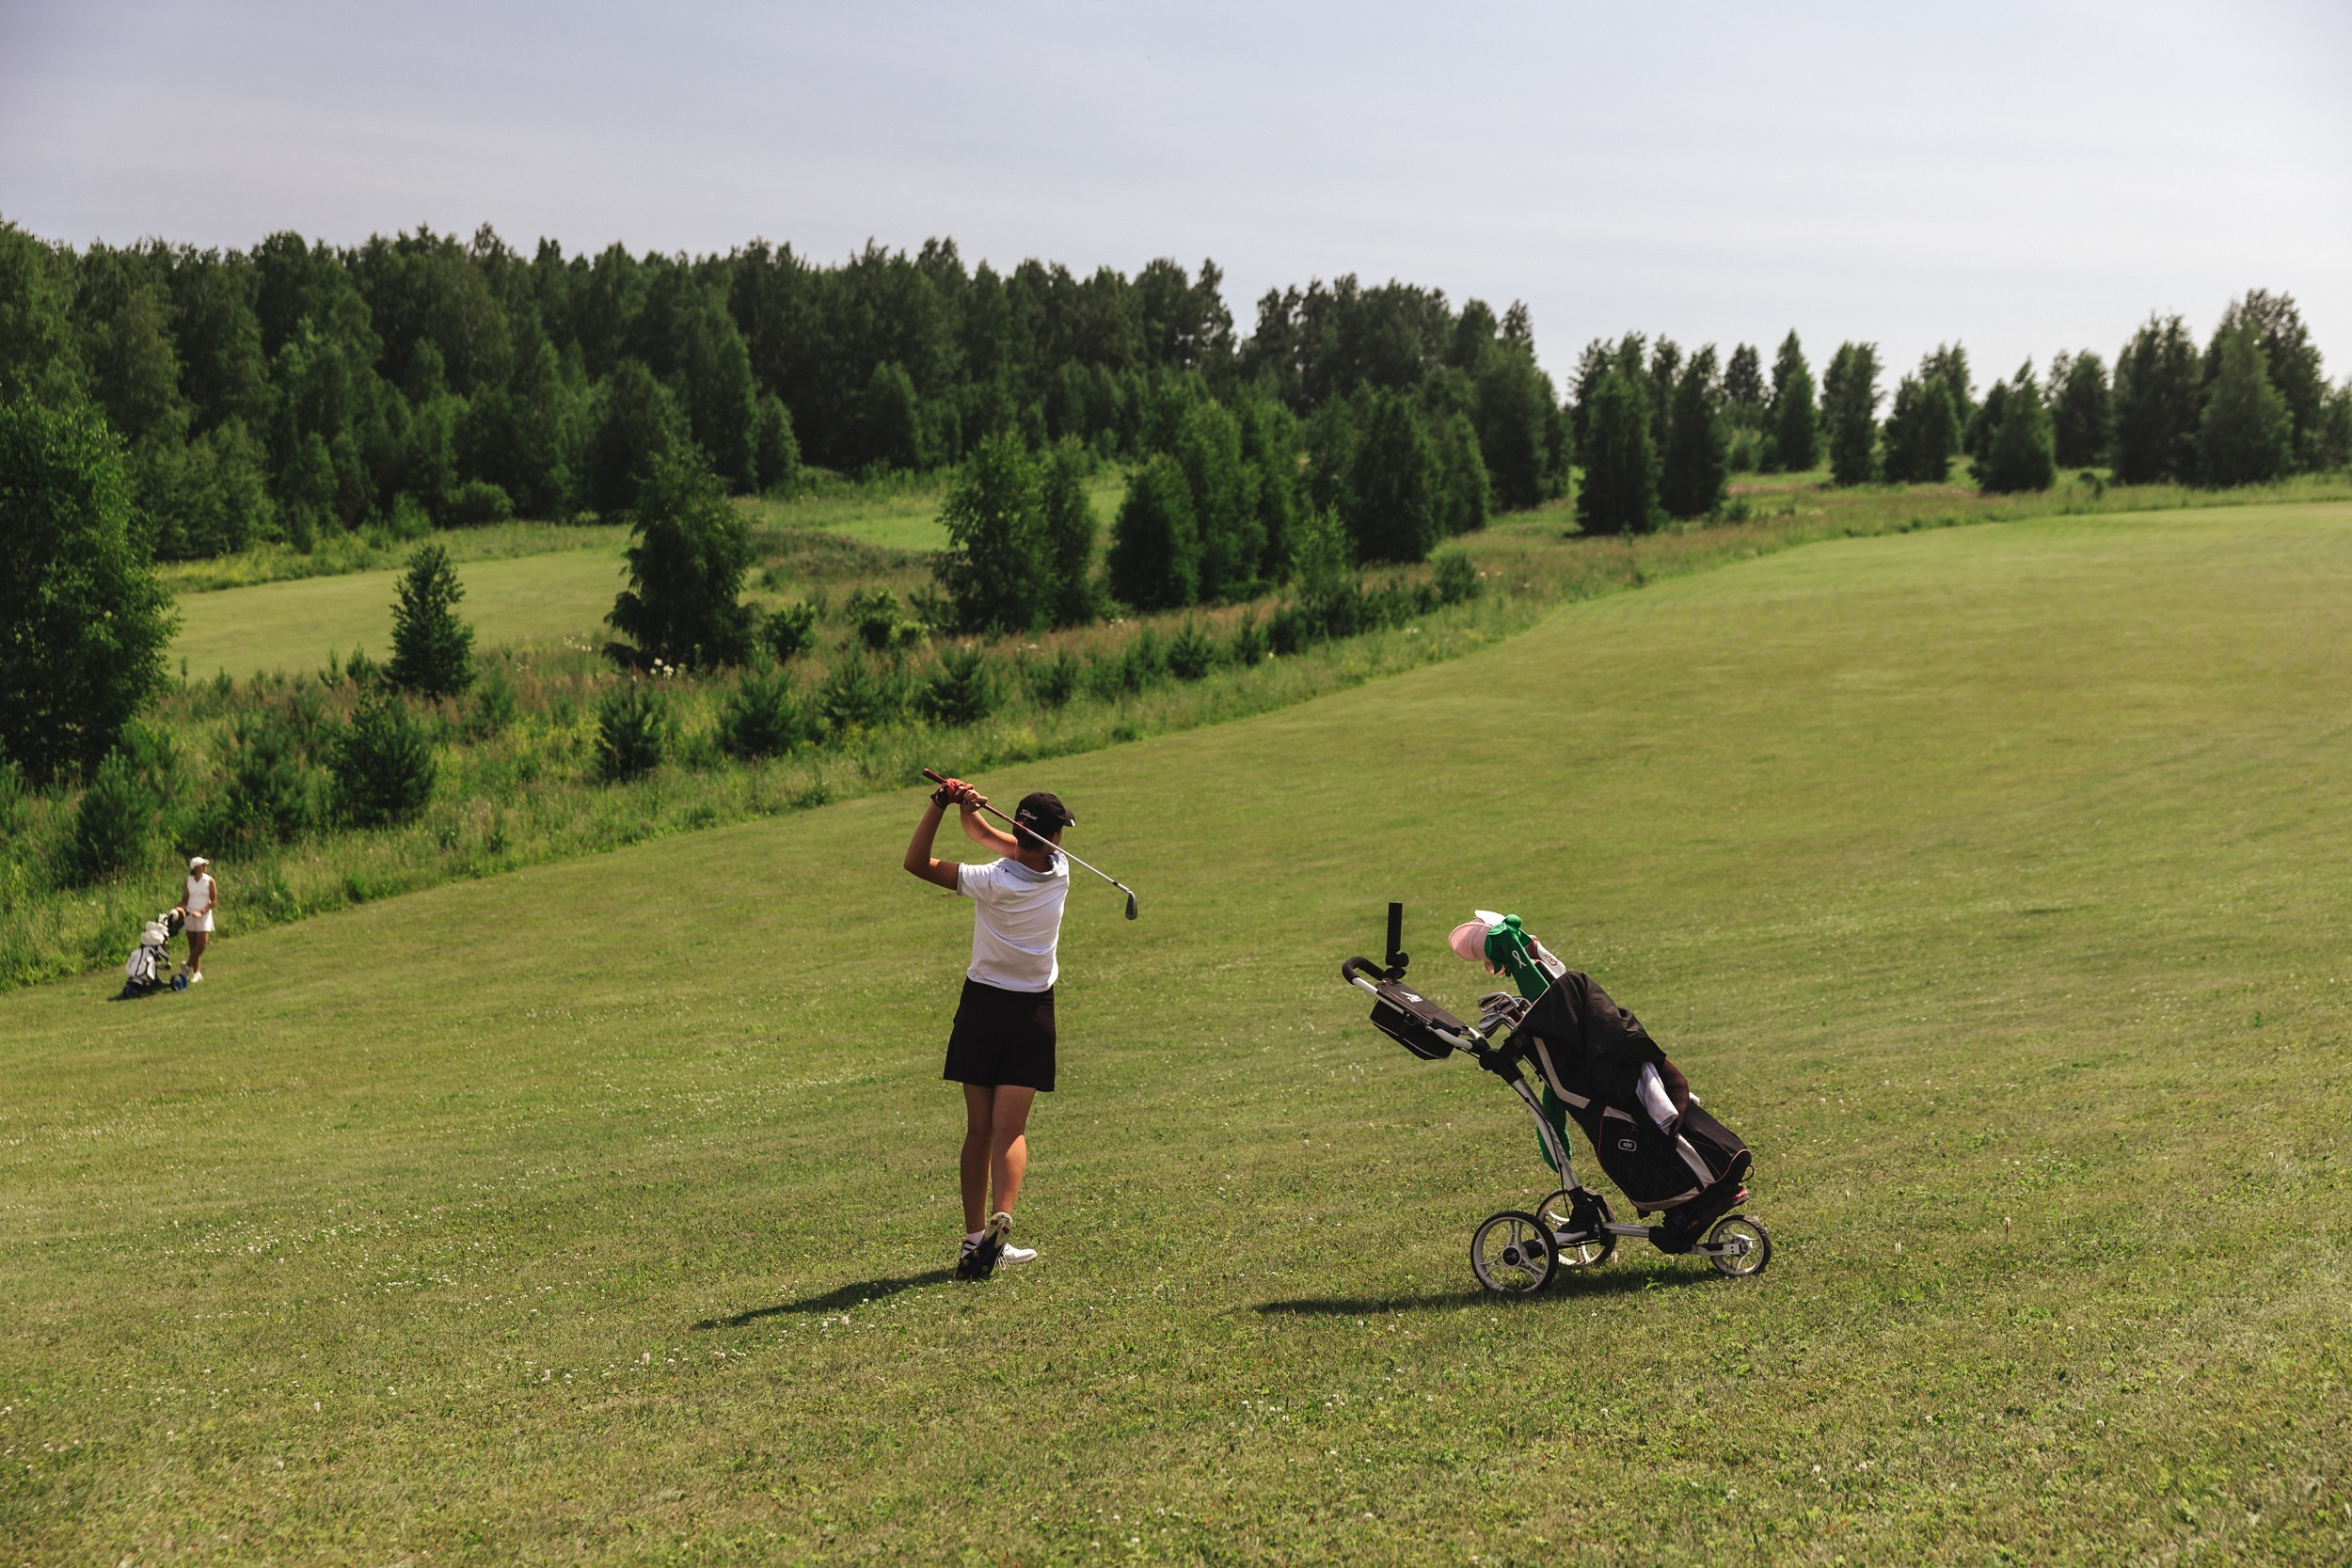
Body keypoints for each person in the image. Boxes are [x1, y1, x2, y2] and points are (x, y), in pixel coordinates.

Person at [902, 777, 1077, 1280]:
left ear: (1018, 829)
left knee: (979, 1129)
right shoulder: (1060, 871)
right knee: (1010, 1129)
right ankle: (1004, 1224)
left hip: (982, 1010)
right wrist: (970, 811)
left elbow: (918, 863)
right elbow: (994, 837)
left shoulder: (991, 881)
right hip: (1033, 1015)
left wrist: (943, 804)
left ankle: (975, 1239)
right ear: (1052, 839)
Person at [181, 856, 218, 984]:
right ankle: (197, 973)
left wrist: (201, 912)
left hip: (204, 915)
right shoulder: (188, 881)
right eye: (202, 865)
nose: (205, 867)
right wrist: (179, 907)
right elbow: (185, 899)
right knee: (193, 946)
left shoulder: (209, 881)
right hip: (190, 915)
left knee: (201, 945)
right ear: (195, 868)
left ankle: (186, 967)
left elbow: (213, 901)